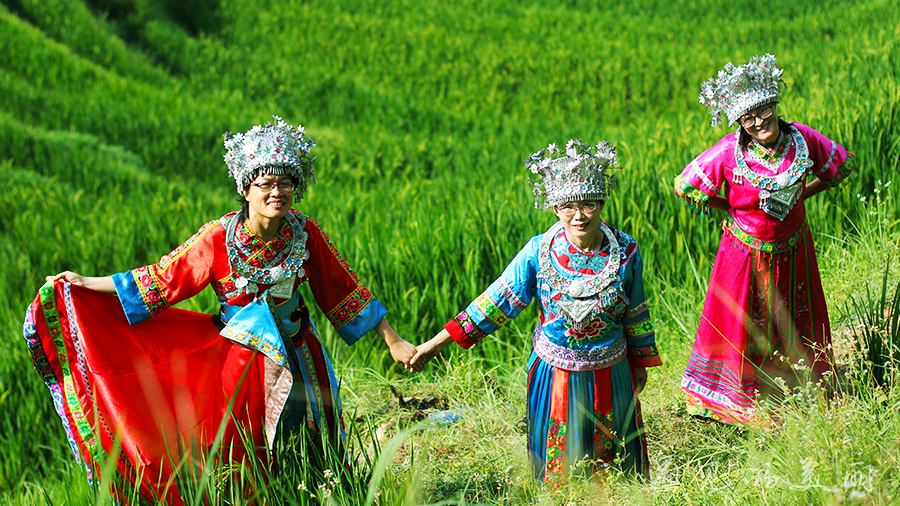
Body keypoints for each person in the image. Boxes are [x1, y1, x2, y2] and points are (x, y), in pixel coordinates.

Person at [24, 116, 418, 503]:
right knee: (248, 448)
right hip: (242, 363)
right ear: (246, 189)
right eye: (266, 183)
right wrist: (88, 284)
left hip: (302, 353)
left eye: (285, 183)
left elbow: (343, 289)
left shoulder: (305, 232)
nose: (276, 192)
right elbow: (162, 279)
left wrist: (393, 340)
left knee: (315, 434)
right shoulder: (218, 239)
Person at [412, 140, 662, 485]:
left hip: (614, 371)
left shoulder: (627, 251)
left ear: (602, 203)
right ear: (555, 207)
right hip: (556, 374)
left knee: (617, 468)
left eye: (588, 204)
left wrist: (640, 363)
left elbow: (636, 312)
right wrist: (435, 344)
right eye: (568, 206)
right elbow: (494, 302)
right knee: (560, 471)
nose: (579, 215)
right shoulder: (537, 252)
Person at [675, 54, 856, 425]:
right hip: (744, 255)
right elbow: (685, 185)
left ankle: (796, 384)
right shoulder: (729, 151)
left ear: (775, 104)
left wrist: (802, 195)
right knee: (743, 321)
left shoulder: (803, 139)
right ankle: (729, 396)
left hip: (794, 249)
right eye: (748, 117)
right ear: (740, 123)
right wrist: (731, 209)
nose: (759, 122)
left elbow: (842, 167)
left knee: (794, 315)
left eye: (763, 110)